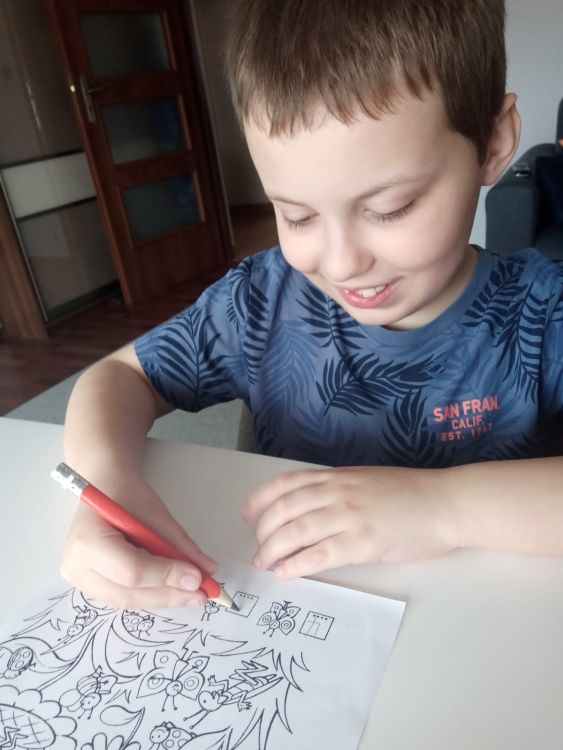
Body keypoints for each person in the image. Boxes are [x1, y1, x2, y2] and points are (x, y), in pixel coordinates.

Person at [61, 0, 563, 610]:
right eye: (297, 215)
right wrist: (105, 486)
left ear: (492, 143)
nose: (343, 262)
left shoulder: (543, 313)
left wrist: (443, 509)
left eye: (390, 209)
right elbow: (119, 377)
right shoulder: (260, 303)